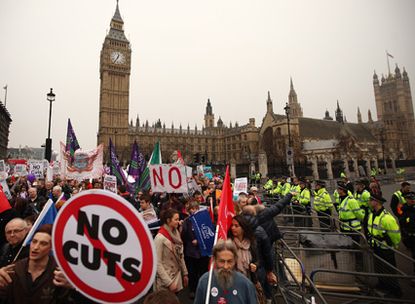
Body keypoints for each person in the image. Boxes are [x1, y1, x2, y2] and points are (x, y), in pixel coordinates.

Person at [0, 224, 70, 303]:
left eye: (43, 243)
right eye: (34, 241)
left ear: (51, 247)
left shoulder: (59, 273)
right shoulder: (15, 268)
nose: (36, 247)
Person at [194, 239, 257, 304]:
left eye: (229, 261)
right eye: (222, 261)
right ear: (214, 260)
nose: (225, 266)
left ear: (235, 260)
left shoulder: (246, 284)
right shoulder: (205, 281)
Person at [367, 193, 402, 298]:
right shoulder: (372, 214)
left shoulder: (387, 218)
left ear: (376, 202)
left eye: (370, 200)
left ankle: (395, 290)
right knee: (379, 267)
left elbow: (396, 236)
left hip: (385, 248)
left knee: (389, 270)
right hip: (376, 247)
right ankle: (382, 283)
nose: (369, 202)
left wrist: (394, 246)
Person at [154, 208, 188, 293]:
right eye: (176, 219)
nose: (178, 221)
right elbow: (157, 263)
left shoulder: (176, 234)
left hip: (176, 276)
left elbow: (181, 256)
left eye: (178, 219)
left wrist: (185, 273)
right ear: (168, 220)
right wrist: (169, 283)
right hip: (166, 280)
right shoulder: (159, 238)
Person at [181, 200, 209, 299]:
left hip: (202, 252)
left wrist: (199, 241)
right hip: (190, 252)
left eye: (195, 208)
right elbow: (183, 235)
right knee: (192, 273)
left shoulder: (204, 220)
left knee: (202, 272)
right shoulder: (186, 221)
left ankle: (203, 290)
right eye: (191, 209)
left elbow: (208, 234)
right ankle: (193, 290)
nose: (193, 211)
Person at [400, 192, 415, 274]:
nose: (412, 200)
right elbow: (402, 222)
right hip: (409, 236)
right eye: (410, 199)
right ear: (406, 200)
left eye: (413, 199)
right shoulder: (404, 209)